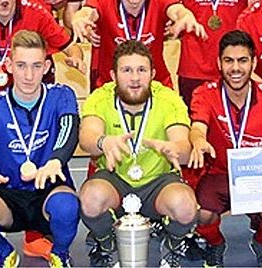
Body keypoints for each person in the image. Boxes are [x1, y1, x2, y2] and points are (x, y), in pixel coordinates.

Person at [0, 30, 82, 268]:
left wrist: (55, 161)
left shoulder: (61, 96)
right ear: (8, 66)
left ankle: (60, 253)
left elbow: (70, 129)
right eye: (21, 65)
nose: (29, 75)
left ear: (47, 66)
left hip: (48, 191)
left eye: (36, 66)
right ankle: (4, 253)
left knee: (67, 206)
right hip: (9, 195)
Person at [78, 40, 198, 268]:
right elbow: (87, 138)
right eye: (126, 70)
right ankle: (106, 244)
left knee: (184, 206)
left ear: (153, 73)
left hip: (158, 182)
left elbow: (182, 146)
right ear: (113, 75)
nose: (134, 78)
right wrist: (103, 141)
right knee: (91, 198)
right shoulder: (99, 97)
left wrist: (175, 149)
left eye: (141, 70)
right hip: (116, 180)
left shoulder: (169, 99)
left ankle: (173, 244)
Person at [188, 30, 262, 268]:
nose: (235, 68)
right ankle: (215, 244)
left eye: (243, 60)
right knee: (199, 214)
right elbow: (198, 126)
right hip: (218, 174)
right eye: (228, 60)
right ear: (219, 63)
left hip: (258, 176)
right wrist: (198, 139)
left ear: (254, 63)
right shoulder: (205, 94)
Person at [72, 0, 205, 89]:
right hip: (111, 88)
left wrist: (186, 16)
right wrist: (79, 18)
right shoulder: (104, 0)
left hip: (156, 87)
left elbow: (177, 10)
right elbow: (88, 12)